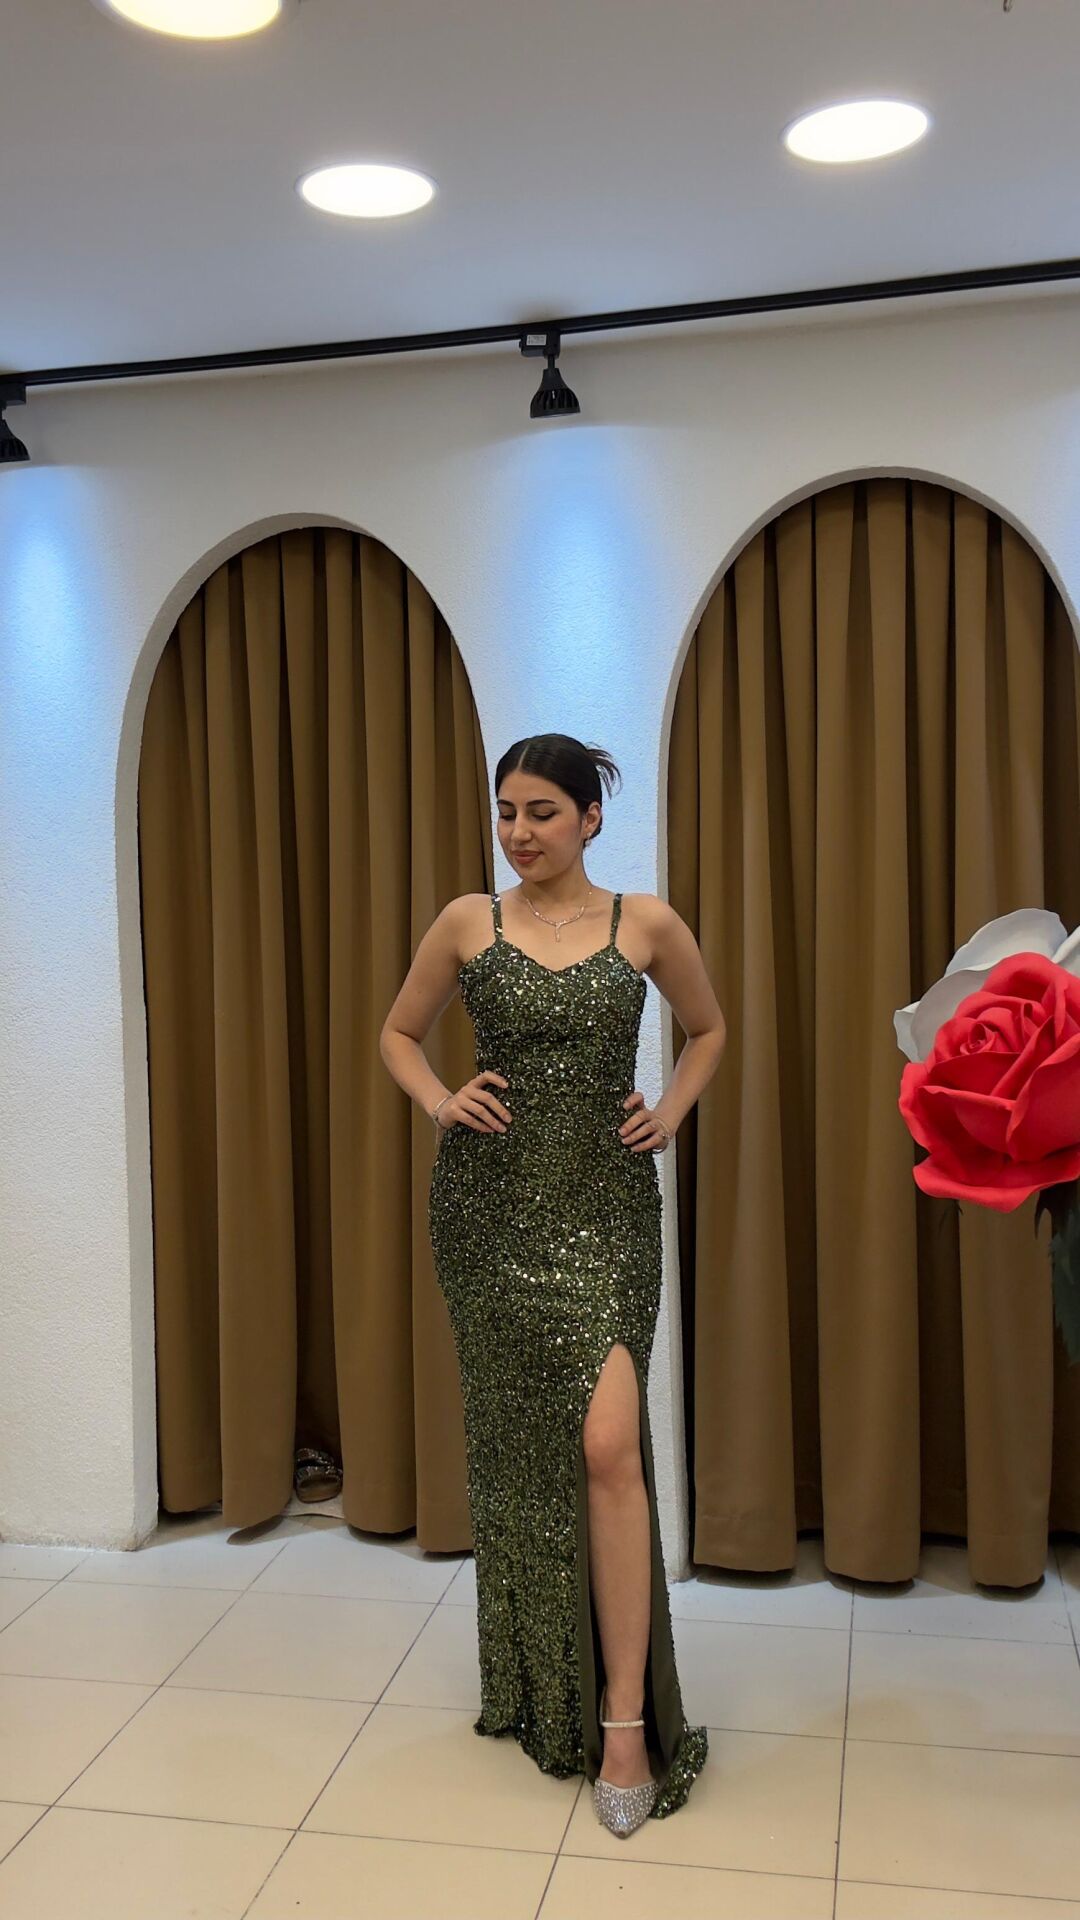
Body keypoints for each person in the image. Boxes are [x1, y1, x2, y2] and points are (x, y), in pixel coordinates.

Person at [379, 733, 726, 1835]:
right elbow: (398, 1032)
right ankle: (543, 1684)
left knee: (608, 1445)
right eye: (506, 813)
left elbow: (710, 1029)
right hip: (486, 1216)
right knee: (521, 1454)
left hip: (607, 1213)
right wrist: (439, 1099)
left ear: (591, 818)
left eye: (541, 812)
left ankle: (623, 1720)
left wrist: (671, 1112)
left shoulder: (646, 923)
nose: (519, 833)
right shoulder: (466, 922)